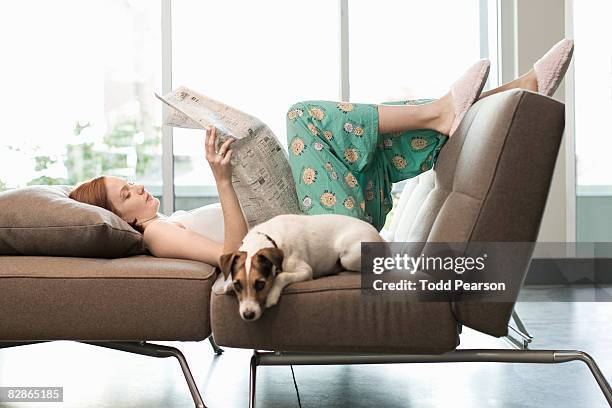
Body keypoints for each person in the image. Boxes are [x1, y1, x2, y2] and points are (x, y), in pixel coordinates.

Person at [68, 39, 574, 266]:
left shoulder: (169, 220)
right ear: (118, 217)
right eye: (123, 193)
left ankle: (505, 93)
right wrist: (223, 179)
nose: (135, 186)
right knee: (303, 117)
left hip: (324, 220)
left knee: (373, 139)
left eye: (126, 181)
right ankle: (448, 110)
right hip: (319, 235)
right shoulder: (156, 234)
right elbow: (229, 257)